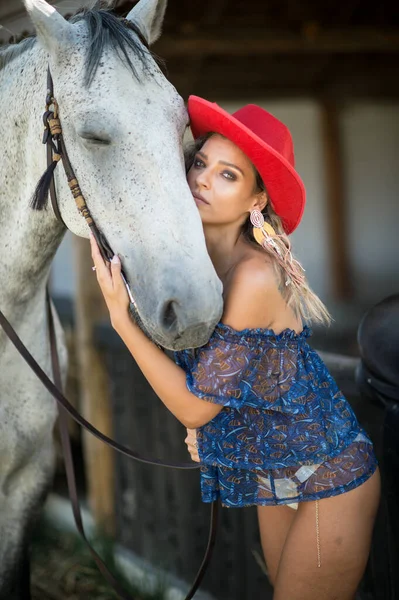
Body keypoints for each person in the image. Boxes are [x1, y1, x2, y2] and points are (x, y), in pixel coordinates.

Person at [90, 96, 380, 599]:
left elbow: (199, 407)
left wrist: (120, 319)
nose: (202, 179)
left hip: (328, 469)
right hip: (273, 469)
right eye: (200, 163)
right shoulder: (198, 268)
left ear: (255, 201)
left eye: (228, 175)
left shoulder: (253, 277)